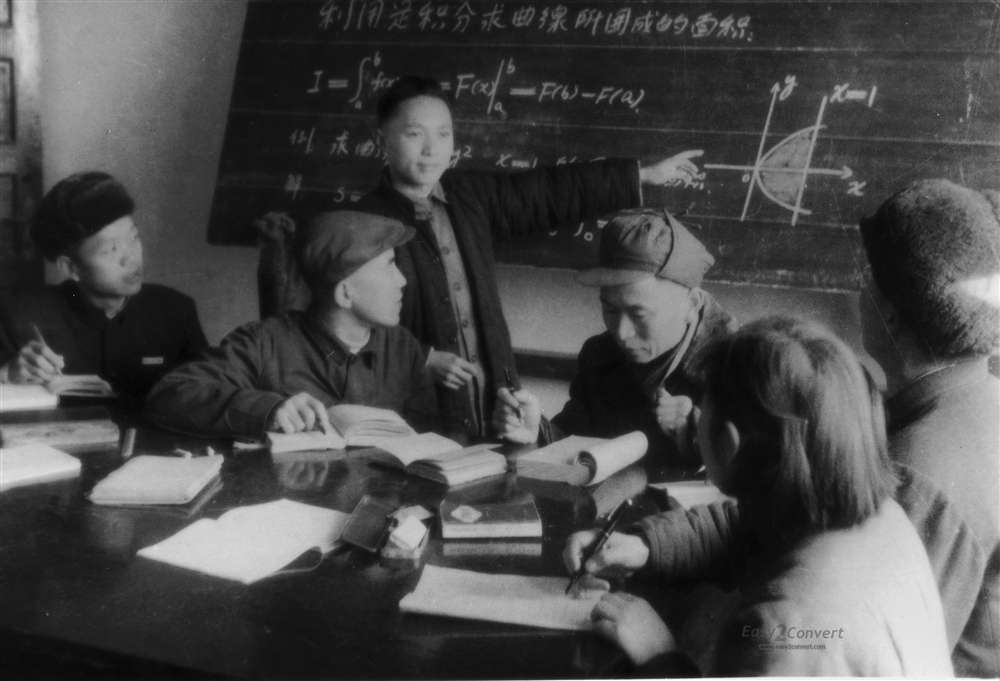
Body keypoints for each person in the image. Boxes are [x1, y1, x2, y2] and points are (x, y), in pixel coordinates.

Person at [563, 317, 953, 676]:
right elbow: (744, 528)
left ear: (728, 443)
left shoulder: (782, 630)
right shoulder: (876, 513)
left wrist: (659, 654)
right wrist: (645, 546)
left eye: (702, 410)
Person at [355, 74, 705, 440]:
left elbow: (547, 193)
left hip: (495, 401)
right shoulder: (362, 223)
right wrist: (421, 358)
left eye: (443, 134)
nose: (431, 149)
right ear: (382, 140)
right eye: (414, 134)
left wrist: (641, 176)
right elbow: (345, 323)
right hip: (416, 412)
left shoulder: (468, 195)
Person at [858, 178, 1000, 676]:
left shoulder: (919, 476)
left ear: (890, 315)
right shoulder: (986, 398)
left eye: (867, 277)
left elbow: (877, 658)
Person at [144, 211, 437, 439]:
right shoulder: (263, 343)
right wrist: (267, 409)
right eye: (389, 266)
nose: (402, 280)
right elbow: (169, 395)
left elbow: (424, 436)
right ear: (345, 294)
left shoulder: (402, 346)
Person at [492, 208, 736, 470]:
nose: (621, 332)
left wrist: (699, 435)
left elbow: (756, 481)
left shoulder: (740, 366)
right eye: (610, 309)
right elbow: (576, 444)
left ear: (692, 303)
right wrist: (535, 432)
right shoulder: (599, 354)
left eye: (638, 314)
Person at [0, 171, 206, 404]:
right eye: (111, 250)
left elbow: (208, 392)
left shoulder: (176, 311)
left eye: (134, 238)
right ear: (71, 268)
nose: (130, 258)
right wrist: (7, 374)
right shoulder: (22, 315)